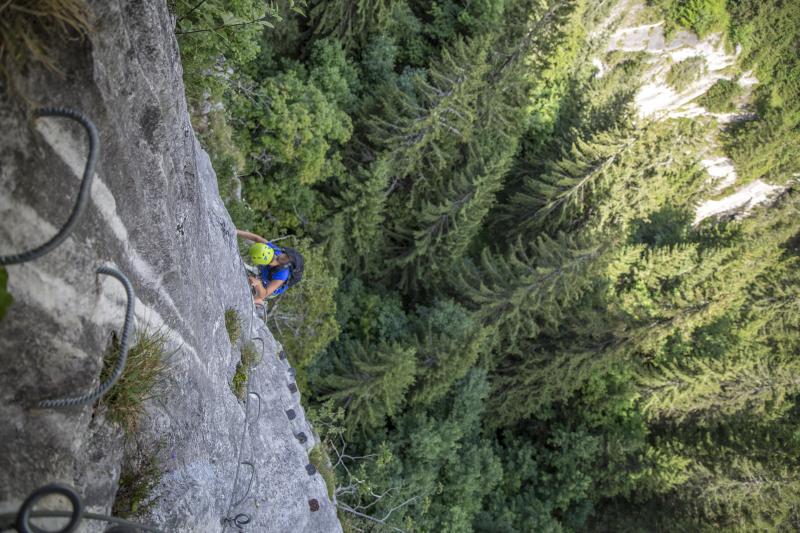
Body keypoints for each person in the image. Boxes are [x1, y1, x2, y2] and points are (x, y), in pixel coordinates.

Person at [236, 229, 291, 305]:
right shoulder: (273, 250)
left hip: (270, 287)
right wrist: (236, 231)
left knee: (256, 298)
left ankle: (260, 302)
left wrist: (258, 284)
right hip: (264, 272)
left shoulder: (281, 275)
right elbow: (257, 239)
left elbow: (265, 293)